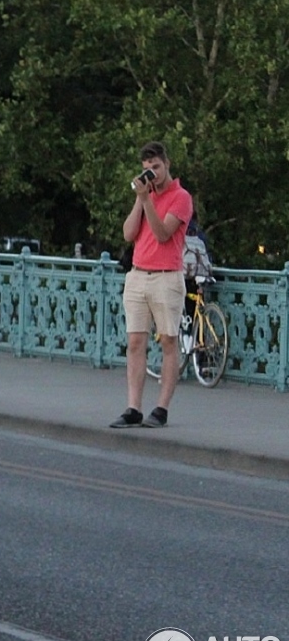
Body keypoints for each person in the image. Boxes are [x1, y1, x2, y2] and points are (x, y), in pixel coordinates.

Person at [110, 141, 193, 429]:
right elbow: (128, 233)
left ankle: (161, 408)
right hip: (138, 274)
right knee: (135, 342)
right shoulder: (145, 197)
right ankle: (133, 407)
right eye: (147, 169)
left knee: (168, 341)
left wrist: (148, 202)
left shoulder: (181, 197)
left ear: (167, 164)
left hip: (166, 277)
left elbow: (162, 234)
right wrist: (140, 199)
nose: (152, 174)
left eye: (156, 167)